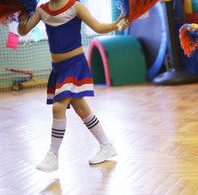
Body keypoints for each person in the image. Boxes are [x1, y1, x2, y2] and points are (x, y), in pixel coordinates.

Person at [17, 0, 127, 172]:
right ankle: (106, 145)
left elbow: (98, 27)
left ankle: (53, 155)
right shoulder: (42, 10)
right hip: (58, 69)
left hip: (75, 65)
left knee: (58, 106)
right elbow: (23, 31)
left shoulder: (75, 6)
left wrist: (116, 24)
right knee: (81, 109)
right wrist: (22, 17)